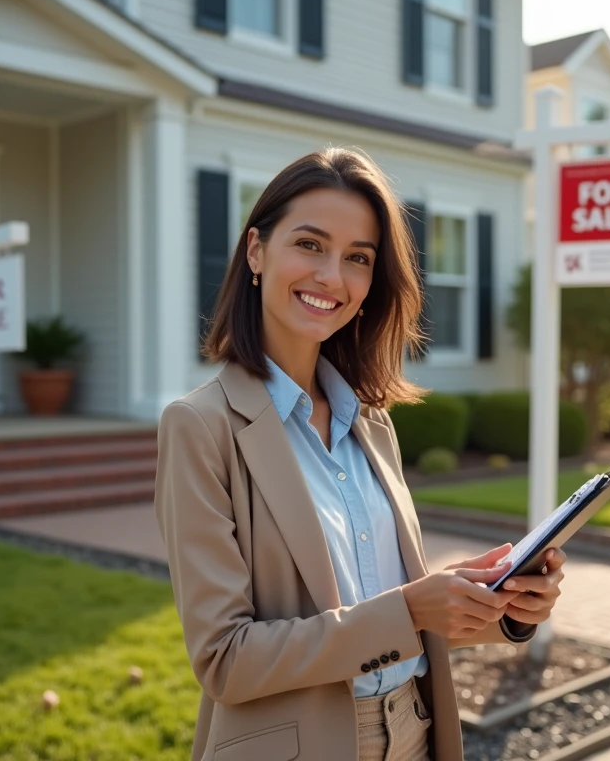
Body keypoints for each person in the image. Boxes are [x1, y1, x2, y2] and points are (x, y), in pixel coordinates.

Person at [154, 147, 567, 761]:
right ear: (256, 252)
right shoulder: (200, 426)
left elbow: (391, 616)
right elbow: (225, 660)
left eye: (358, 259)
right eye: (310, 244)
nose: (332, 277)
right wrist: (409, 608)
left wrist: (502, 606)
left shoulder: (370, 423)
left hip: (416, 731)